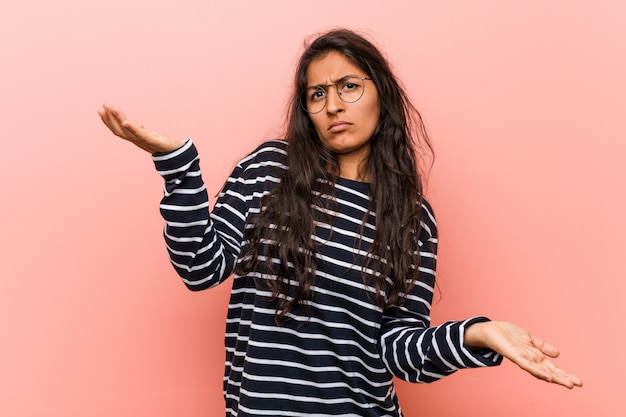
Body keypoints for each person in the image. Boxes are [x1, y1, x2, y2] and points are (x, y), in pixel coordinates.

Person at [99, 29, 582, 417]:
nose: (333, 105)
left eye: (349, 86)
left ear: (381, 95)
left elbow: (399, 349)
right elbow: (200, 268)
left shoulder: (413, 220)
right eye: (317, 93)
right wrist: (177, 167)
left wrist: (478, 333)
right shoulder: (271, 170)